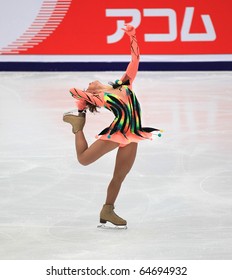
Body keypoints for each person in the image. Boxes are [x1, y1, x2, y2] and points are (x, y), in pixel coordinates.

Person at [63, 24, 162, 228]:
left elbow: (135, 60)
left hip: (134, 134)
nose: (88, 82)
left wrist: (132, 36)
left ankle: (108, 209)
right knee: (84, 160)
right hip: (118, 133)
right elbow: (73, 90)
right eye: (87, 86)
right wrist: (85, 101)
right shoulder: (102, 98)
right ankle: (77, 127)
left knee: (119, 176)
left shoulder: (124, 83)